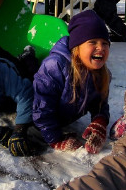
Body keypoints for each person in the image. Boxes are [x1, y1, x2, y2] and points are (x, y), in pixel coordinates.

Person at [32, 10, 112, 154]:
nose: (100, 48)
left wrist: (100, 120)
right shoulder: (54, 66)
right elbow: (41, 109)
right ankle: (27, 57)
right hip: (30, 111)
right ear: (77, 47)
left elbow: (100, 103)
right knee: (26, 73)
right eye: (92, 42)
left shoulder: (102, 73)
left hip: (63, 117)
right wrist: (55, 139)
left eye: (105, 43)